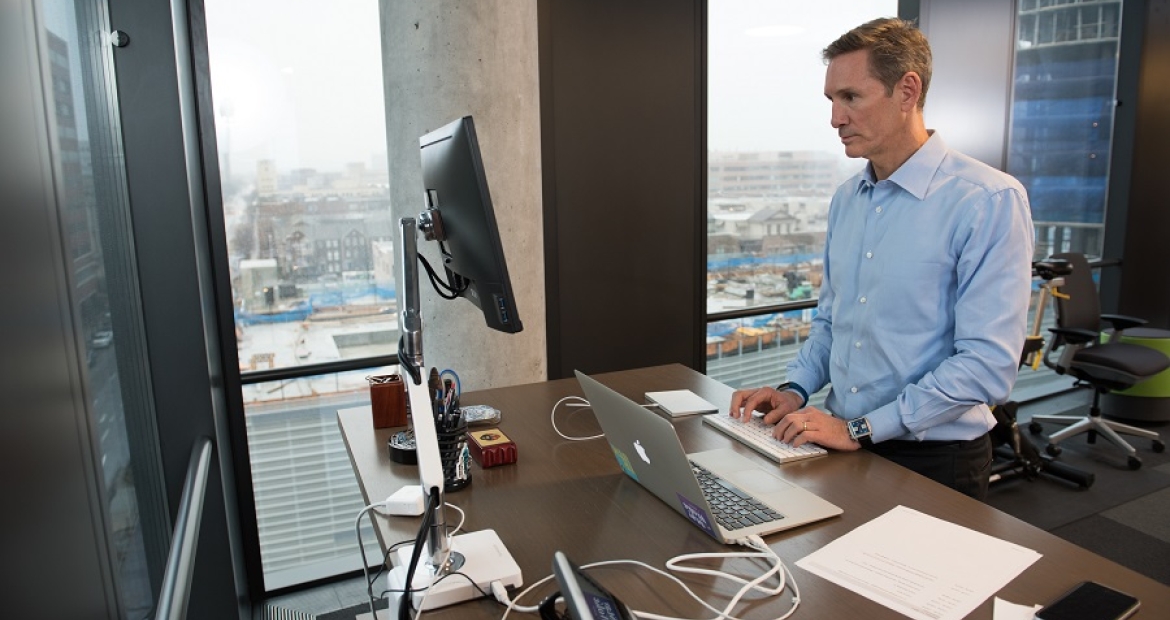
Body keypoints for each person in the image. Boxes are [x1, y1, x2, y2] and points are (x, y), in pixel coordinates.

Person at [728, 17, 1034, 500]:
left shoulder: (987, 200)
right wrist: (794, 390)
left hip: (932, 459)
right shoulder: (848, 199)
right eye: (831, 100)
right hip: (838, 440)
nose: (835, 118)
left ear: (907, 90)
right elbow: (832, 321)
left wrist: (862, 429)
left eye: (851, 97)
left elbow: (987, 364)